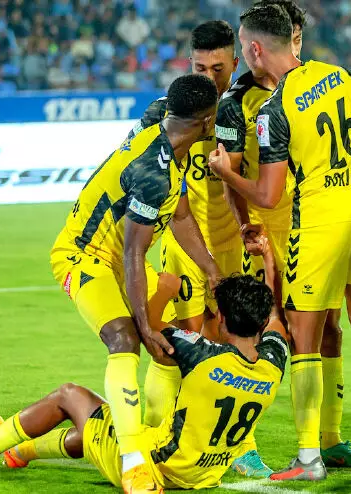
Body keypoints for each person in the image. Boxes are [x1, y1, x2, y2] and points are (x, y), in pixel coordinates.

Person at [209, 4, 351, 481]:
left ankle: (310, 457)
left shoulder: (274, 108)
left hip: (316, 225)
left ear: (255, 49)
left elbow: (266, 193)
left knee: (303, 340)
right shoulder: (341, 76)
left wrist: (226, 172)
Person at [0, 253, 290, 493]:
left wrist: (164, 292)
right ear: (261, 323)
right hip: (202, 475)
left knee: (70, 396)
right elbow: (276, 317)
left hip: (153, 466)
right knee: (102, 425)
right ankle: (19, 451)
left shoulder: (202, 355)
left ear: (222, 320)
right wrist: (269, 263)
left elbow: (149, 329)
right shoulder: (273, 362)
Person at [48, 73, 223, 493]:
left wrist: (212, 270)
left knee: (166, 344)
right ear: (205, 121)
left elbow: (180, 216)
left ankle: (19, 445)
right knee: (125, 338)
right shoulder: (153, 173)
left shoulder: (164, 123)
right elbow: (133, 252)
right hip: (84, 255)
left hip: (119, 256)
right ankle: (133, 463)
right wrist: (143, 323)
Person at [129, 21, 272, 478]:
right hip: (184, 241)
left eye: (218, 69)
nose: (209, 77)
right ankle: (163, 432)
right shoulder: (169, 111)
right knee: (183, 340)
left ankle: (239, 444)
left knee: (235, 341)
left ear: (235, 63)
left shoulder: (246, 108)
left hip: (234, 241)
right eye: (199, 68)